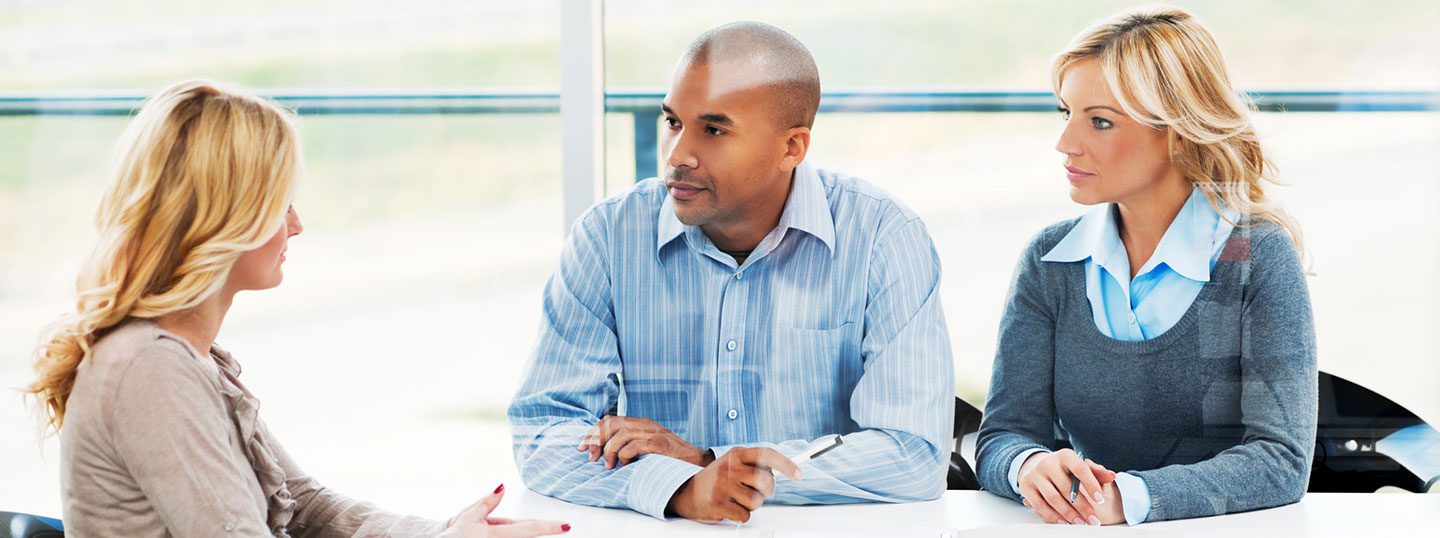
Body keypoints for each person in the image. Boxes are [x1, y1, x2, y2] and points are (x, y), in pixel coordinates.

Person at [27, 80, 569, 538]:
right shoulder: (150, 369)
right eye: (281, 202)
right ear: (229, 217)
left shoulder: (189, 357)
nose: (297, 224)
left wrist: (441, 534)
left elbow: (304, 505)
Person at [507, 21, 955, 524]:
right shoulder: (608, 236)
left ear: (792, 148)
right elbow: (544, 429)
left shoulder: (883, 238)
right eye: (673, 122)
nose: (677, 155)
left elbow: (913, 456)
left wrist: (705, 462)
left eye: (714, 130)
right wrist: (679, 489)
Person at [975, 5, 1317, 526]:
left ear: (1178, 133)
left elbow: (1280, 462)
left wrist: (1126, 500)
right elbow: (1002, 435)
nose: (1065, 143)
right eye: (1065, 113)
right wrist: (1030, 465)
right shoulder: (1049, 261)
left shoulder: (1256, 257)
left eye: (1101, 122)